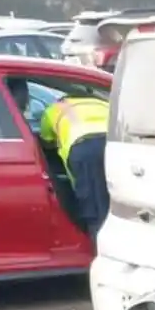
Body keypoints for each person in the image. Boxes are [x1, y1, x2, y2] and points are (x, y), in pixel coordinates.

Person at [38, 90, 110, 234]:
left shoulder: (54, 109)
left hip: (84, 147)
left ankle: (99, 245)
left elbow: (46, 142)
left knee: (93, 205)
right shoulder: (103, 103)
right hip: (114, 146)